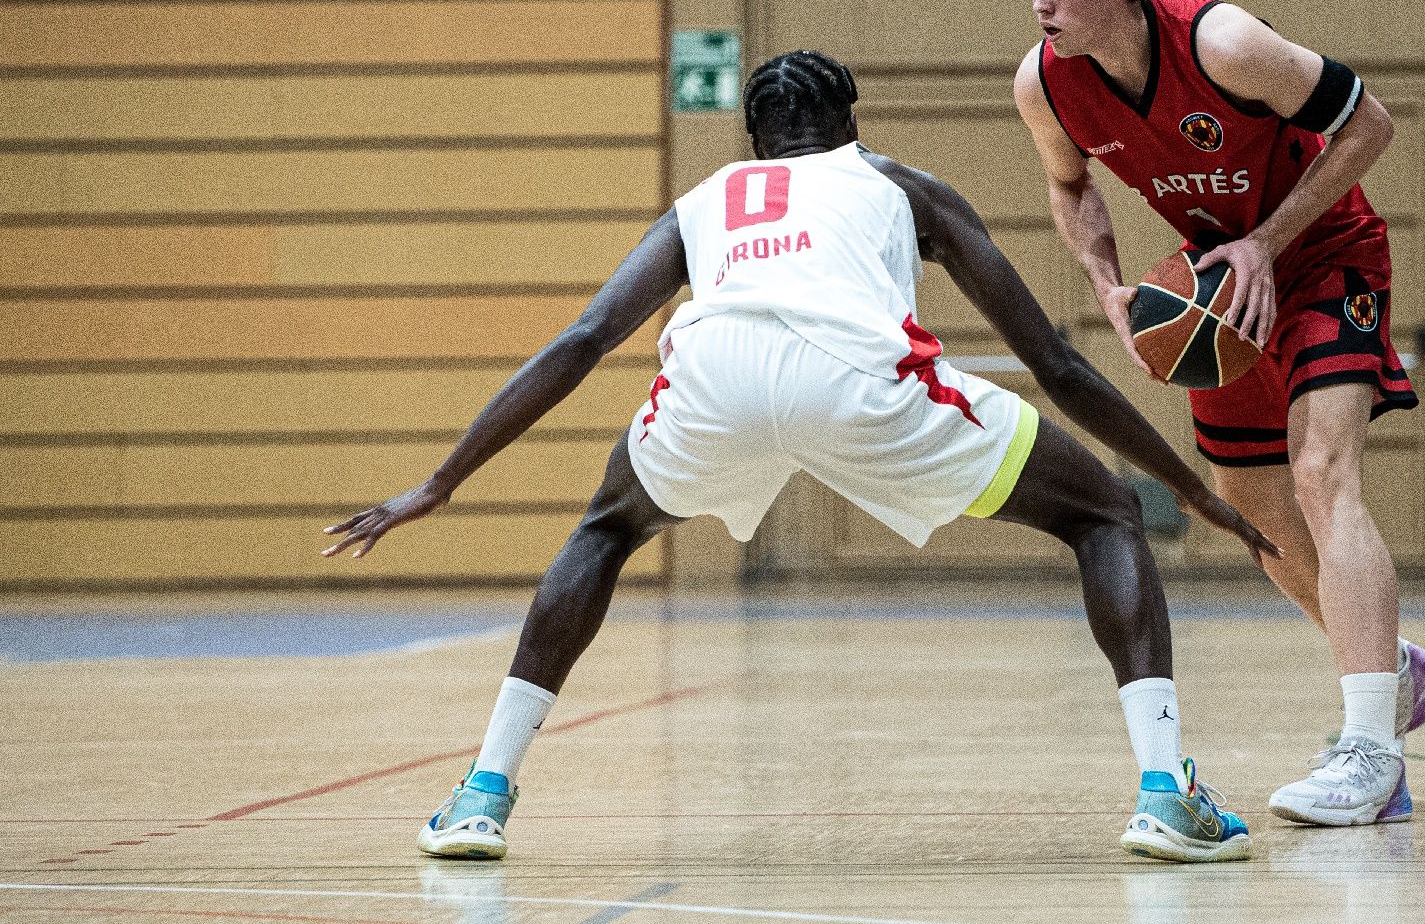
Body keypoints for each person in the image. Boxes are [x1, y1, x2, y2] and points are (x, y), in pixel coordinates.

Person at [322, 49, 1282, 864]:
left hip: (713, 380)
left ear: (754, 142)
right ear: (851, 126)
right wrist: (1188, 486)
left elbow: (583, 338)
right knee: (1103, 511)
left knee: (609, 526)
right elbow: (1057, 363)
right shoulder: (900, 185)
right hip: (863, 384)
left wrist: (443, 480)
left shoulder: (708, 201)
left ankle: (485, 791)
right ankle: (1165, 790)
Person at [1007, 0, 1425, 827]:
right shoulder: (1045, 82)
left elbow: (1371, 123)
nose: (1042, 4)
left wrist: (1271, 238)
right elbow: (1070, 188)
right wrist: (1107, 285)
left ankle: (1373, 751)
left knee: (1323, 470)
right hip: (1219, 292)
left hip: (1327, 257)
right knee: (1249, 515)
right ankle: (1395, 665)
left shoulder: (1225, 44)